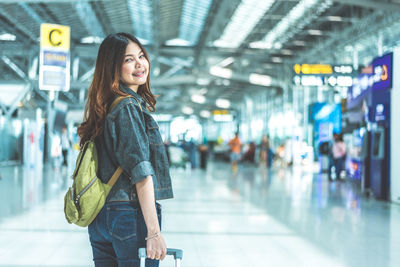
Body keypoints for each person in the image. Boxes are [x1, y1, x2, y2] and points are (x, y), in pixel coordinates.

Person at [77, 33, 173, 266]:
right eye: (129, 59)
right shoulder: (128, 107)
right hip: (128, 215)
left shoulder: (104, 106)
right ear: (112, 66)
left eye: (141, 56)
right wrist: (154, 232)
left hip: (100, 216)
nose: (140, 63)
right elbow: (141, 172)